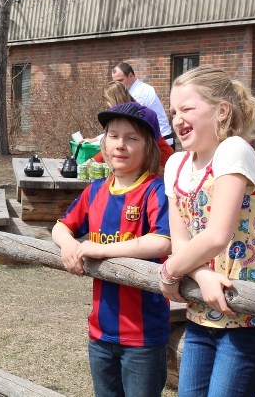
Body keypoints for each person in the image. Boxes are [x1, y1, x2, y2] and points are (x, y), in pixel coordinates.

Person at [158, 65, 255, 397]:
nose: (177, 118)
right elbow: (180, 240)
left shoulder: (233, 151)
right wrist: (200, 275)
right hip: (201, 313)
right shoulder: (175, 165)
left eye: (187, 109)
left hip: (248, 315)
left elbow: (217, 235)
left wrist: (170, 273)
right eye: (173, 112)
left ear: (221, 111)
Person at [52, 101, 171, 397]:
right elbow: (60, 227)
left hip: (143, 335)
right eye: (113, 136)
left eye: (132, 138)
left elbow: (164, 241)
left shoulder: (156, 191)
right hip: (100, 332)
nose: (121, 144)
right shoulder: (95, 191)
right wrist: (69, 245)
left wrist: (103, 250)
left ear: (149, 147)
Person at [91, 81, 174, 174]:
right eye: (114, 136)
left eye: (107, 101)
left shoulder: (138, 115)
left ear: (112, 99)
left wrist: (94, 160)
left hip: (161, 161)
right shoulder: (129, 112)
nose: (119, 145)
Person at [112, 62, 176, 146]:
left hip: (161, 141)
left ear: (130, 75)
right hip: (156, 139)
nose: (118, 85)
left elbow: (128, 122)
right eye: (115, 82)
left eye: (120, 80)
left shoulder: (140, 93)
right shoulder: (134, 91)